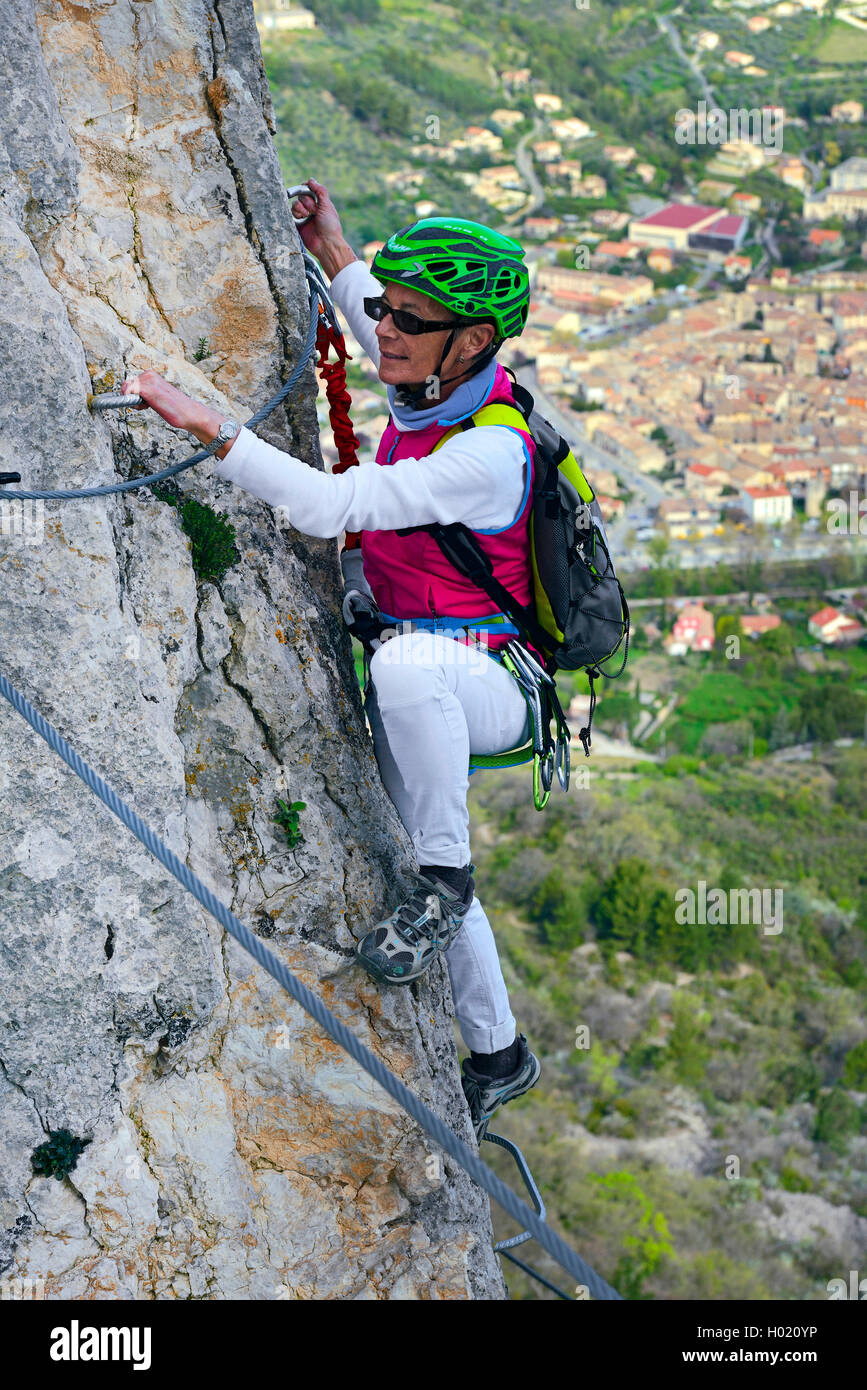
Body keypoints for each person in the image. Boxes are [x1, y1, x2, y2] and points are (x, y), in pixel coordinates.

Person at [121, 178, 541, 1138]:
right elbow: (373, 320)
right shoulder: (436, 372)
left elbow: (327, 508)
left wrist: (207, 428)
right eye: (387, 309)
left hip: (489, 673)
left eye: (411, 317)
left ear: (472, 339)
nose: (386, 329)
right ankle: (499, 1053)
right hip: (430, 665)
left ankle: (443, 885)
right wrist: (332, 242)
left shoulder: (490, 451)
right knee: (425, 838)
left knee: (430, 818)